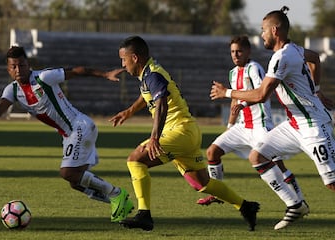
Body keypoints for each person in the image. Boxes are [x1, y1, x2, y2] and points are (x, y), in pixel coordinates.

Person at [109, 35, 260, 231]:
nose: (123, 63)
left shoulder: (152, 75)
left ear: (135, 58)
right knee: (201, 183)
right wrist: (129, 111)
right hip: (188, 132)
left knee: (136, 160)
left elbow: (161, 102)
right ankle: (245, 206)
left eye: (124, 59)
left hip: (179, 131)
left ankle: (144, 214)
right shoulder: (149, 75)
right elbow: (148, 95)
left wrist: (154, 137)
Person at [210, 6, 335, 230]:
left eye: (263, 31)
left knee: (332, 182)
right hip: (294, 124)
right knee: (257, 156)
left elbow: (261, 95)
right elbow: (314, 58)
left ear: (275, 30)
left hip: (314, 126)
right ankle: (295, 204)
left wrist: (227, 93)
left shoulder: (281, 58)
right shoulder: (295, 49)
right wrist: (316, 90)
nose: (262, 35)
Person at [0, 46, 134, 223]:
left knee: (67, 172)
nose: (18, 70)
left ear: (28, 65)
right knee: (75, 182)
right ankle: (119, 202)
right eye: (13, 66)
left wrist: (105, 74)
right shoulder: (13, 90)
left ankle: (116, 194)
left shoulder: (43, 78)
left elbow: (77, 71)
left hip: (80, 127)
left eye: (22, 65)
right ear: (8, 69)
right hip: (69, 134)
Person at [197, 35, 305, 206]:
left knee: (278, 164)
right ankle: (217, 193)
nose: (235, 55)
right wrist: (230, 126)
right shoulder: (233, 73)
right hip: (241, 127)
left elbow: (263, 93)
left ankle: (298, 199)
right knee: (212, 152)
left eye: (239, 51)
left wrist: (244, 103)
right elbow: (234, 99)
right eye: (232, 52)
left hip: (260, 126)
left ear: (248, 51)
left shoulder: (254, 68)